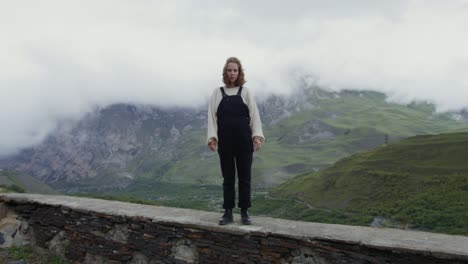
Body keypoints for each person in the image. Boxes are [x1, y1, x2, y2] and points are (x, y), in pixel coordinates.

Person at [207, 57, 265, 225]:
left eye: (235, 70)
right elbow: (211, 117)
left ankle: (245, 212)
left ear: (239, 72)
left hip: (244, 141)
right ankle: (228, 212)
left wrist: (257, 136)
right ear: (225, 72)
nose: (232, 73)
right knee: (228, 177)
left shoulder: (245, 92)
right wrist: (212, 137)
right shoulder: (217, 93)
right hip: (225, 141)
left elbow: (254, 115)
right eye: (229, 70)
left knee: (245, 177)